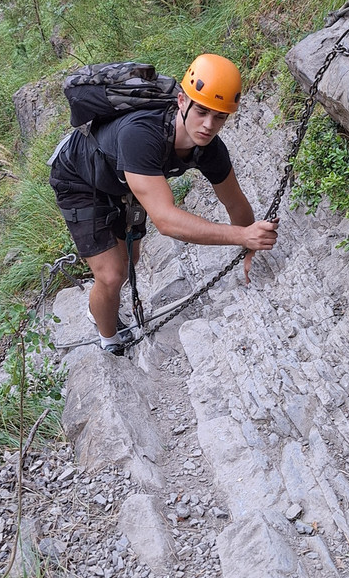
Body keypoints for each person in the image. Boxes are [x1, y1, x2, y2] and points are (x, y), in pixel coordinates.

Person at [49, 53, 279, 354]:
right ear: (182, 101)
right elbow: (166, 221)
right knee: (111, 274)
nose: (208, 125)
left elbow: (235, 202)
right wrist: (242, 236)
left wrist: (249, 248)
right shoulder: (142, 134)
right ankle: (109, 341)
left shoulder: (209, 149)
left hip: (125, 181)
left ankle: (104, 304)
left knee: (131, 259)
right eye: (202, 112)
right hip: (79, 178)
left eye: (219, 117)